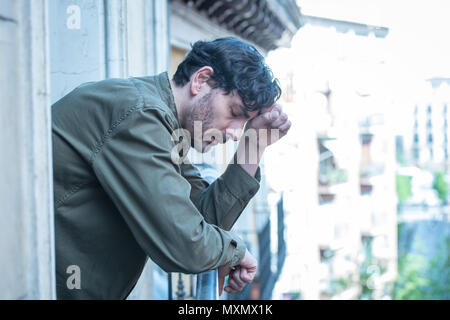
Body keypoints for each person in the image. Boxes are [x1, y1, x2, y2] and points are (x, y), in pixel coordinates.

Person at [52, 37, 291, 299]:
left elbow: (202, 218)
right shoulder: (140, 115)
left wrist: (252, 146)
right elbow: (185, 245)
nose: (235, 134)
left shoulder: (165, 126)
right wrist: (236, 251)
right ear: (201, 80)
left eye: (243, 124)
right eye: (234, 113)